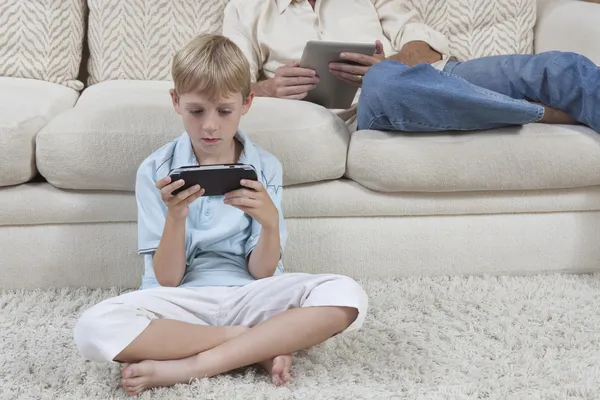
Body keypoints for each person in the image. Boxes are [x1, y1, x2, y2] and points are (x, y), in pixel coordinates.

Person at [73, 34, 368, 396]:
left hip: (251, 295)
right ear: (176, 102)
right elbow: (166, 281)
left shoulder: (265, 167)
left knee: (348, 295)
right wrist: (175, 218)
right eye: (196, 111)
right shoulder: (155, 170)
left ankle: (195, 364)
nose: (210, 126)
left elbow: (262, 273)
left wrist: (270, 221)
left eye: (224, 111)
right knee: (93, 329)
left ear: (246, 103)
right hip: (182, 302)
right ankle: (256, 344)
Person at [222, 0, 599, 133]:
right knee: (384, 84)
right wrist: (269, 89)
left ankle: (535, 110)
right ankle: (544, 114)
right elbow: (222, 84)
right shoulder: (245, 8)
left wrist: (390, 62)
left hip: (436, 75)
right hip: (374, 105)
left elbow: (422, 42)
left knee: (562, 68)